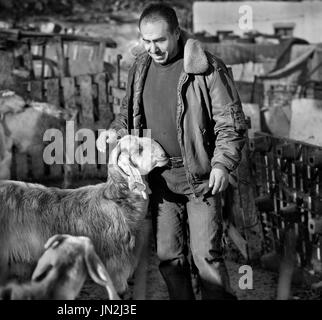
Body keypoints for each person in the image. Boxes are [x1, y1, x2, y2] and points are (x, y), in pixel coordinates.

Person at [96, 3, 248, 300]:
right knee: (168, 257)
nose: (153, 48)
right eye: (146, 40)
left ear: (177, 33)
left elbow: (230, 123)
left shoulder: (206, 67)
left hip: (201, 177)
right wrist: (115, 131)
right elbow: (129, 114)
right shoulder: (139, 67)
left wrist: (222, 164)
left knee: (206, 257)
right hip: (161, 182)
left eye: (160, 40)